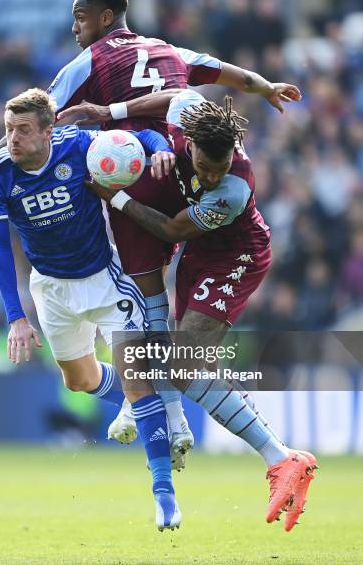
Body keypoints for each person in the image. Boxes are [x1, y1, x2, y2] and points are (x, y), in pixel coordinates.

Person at [0, 0, 301, 465]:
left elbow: (37, 120)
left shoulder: (90, 61)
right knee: (157, 318)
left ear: (105, 18)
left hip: (134, 175)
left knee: (150, 299)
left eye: (80, 19)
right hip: (182, 161)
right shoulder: (168, 49)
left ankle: (170, 419)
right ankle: (153, 408)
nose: (75, 28)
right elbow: (224, 73)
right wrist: (264, 85)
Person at [83, 88, 318, 532]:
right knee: (183, 364)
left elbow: (172, 226)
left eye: (220, 168)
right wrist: (114, 112)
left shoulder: (232, 188)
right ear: (189, 142)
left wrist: (113, 197)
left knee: (181, 364)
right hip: (199, 254)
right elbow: (174, 93)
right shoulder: (192, 116)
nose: (212, 177)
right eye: (206, 168)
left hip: (236, 256)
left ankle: (282, 458)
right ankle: (189, 429)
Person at [0, 87, 181, 530]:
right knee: (80, 381)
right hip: (51, 289)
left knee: (137, 378)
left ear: (49, 131)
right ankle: (135, 401)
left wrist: (163, 149)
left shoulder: (79, 145)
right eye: (8, 130)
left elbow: (138, 137)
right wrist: (16, 316)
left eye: (23, 130)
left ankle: (164, 494)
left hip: (105, 280)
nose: (12, 139)